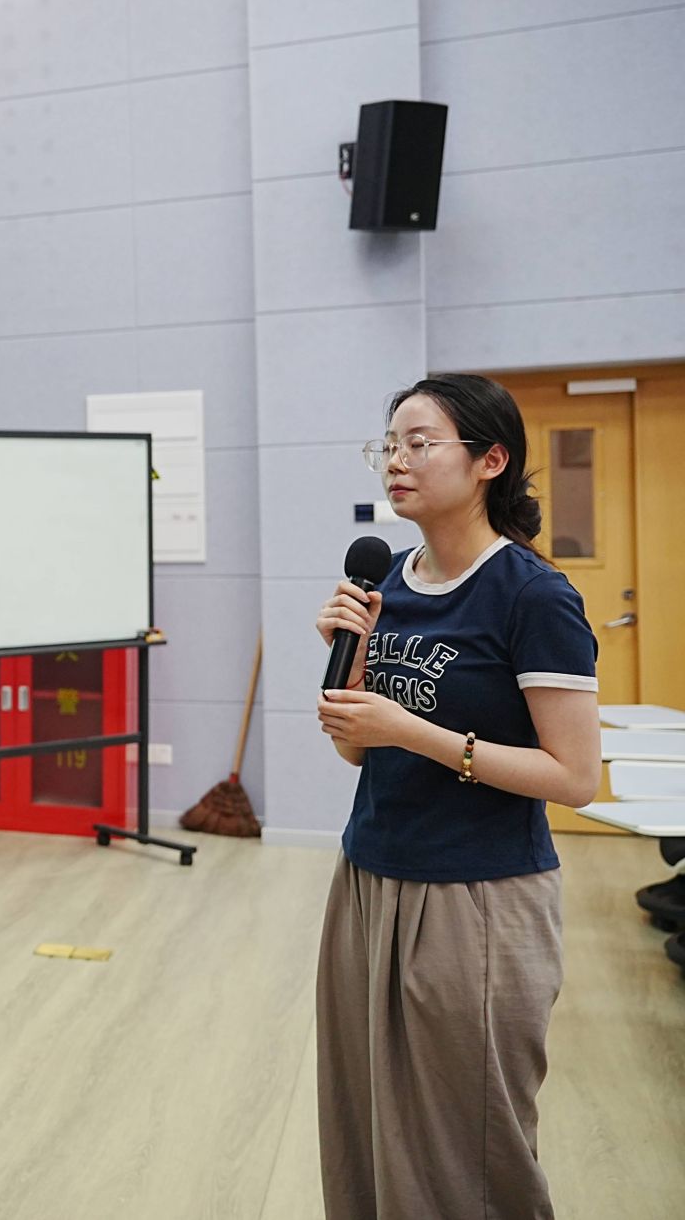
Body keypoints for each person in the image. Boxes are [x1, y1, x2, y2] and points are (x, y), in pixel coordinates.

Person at [312, 372, 601, 1219]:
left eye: (419, 442)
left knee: (470, 1149)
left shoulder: (533, 595)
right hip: (369, 879)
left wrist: (416, 731)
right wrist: (352, 671)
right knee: (369, 1121)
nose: (395, 462)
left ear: (490, 460)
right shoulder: (388, 585)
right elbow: (357, 749)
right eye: (388, 445)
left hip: (479, 898)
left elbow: (575, 777)